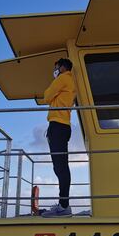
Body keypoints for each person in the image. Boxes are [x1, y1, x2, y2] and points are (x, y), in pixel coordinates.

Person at [41, 58, 76, 218]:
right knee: (60, 166)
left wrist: (52, 88)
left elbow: (46, 96)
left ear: (62, 68)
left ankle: (64, 206)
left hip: (58, 126)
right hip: (63, 125)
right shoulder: (69, 82)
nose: (54, 70)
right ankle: (63, 204)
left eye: (56, 67)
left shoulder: (63, 78)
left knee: (60, 166)